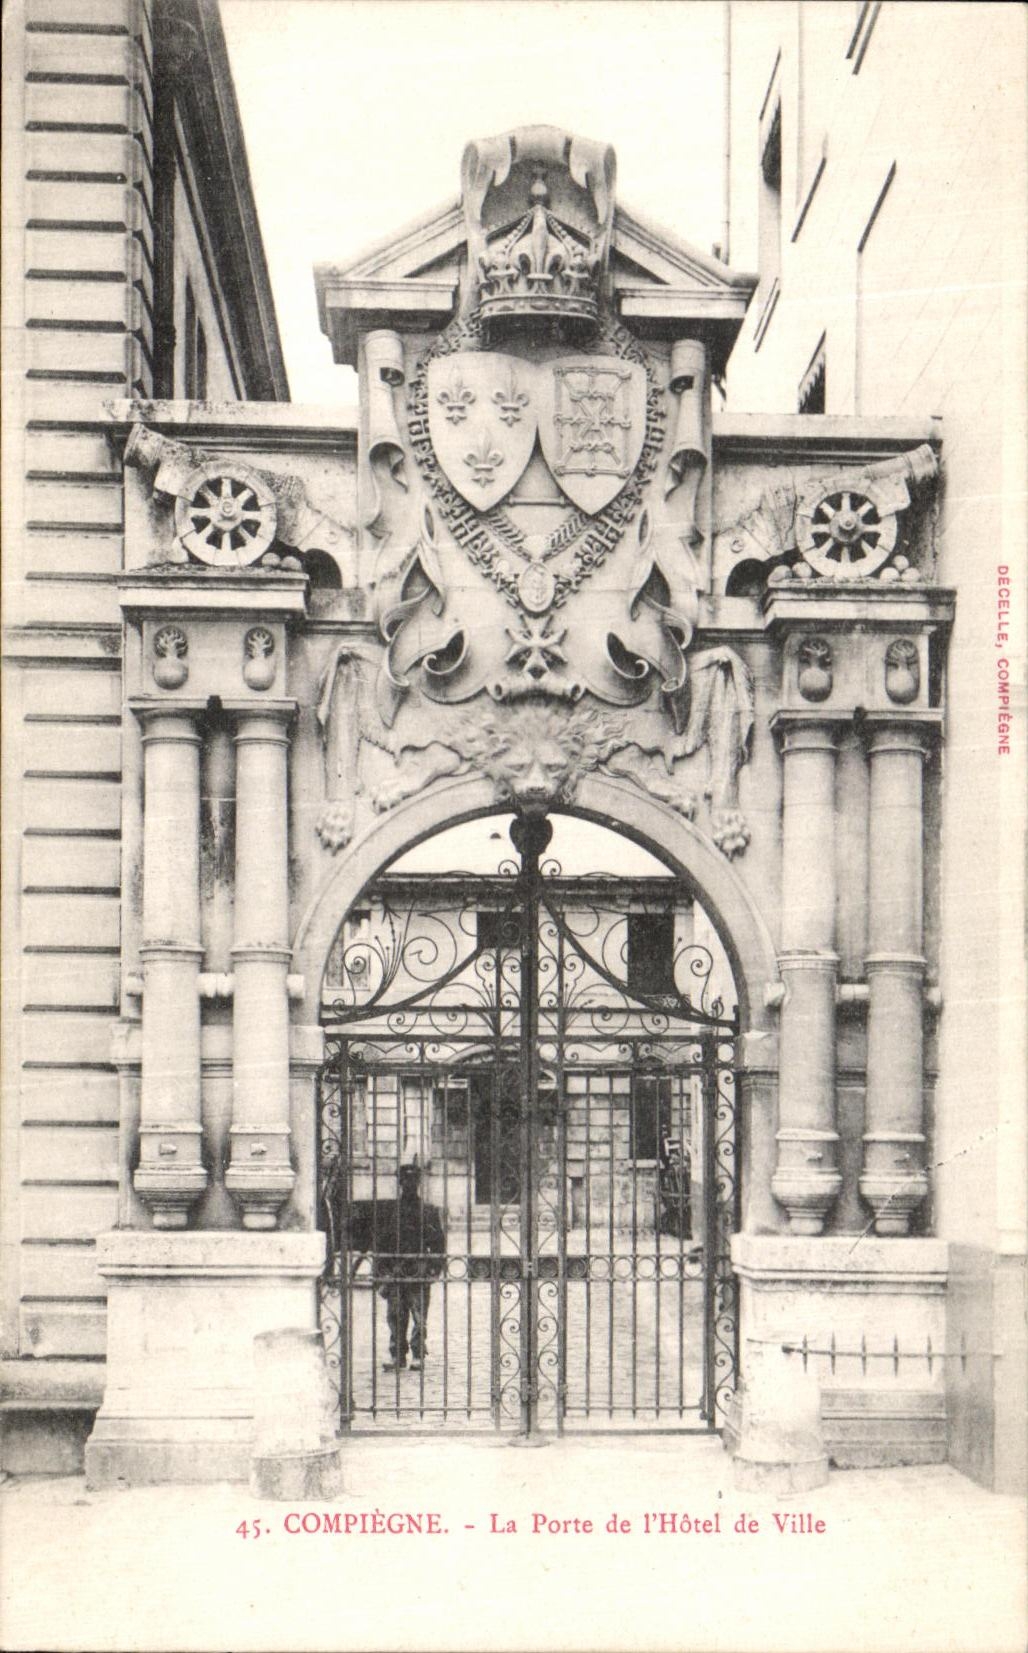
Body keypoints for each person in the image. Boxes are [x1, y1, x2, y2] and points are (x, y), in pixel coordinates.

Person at [350, 1164, 446, 1372]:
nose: (409, 1184)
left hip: (418, 1269)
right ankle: (397, 1355)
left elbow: (438, 1243)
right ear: (401, 1183)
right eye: (405, 1180)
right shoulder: (390, 1211)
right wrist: (381, 1270)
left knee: (419, 1316)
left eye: (413, 1181)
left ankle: (418, 1354)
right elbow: (380, 1242)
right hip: (395, 1269)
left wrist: (433, 1270)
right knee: (395, 1314)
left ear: (418, 1183)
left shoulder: (428, 1211)